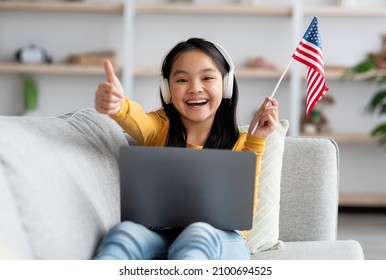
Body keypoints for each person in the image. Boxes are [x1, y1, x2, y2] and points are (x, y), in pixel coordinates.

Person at [94, 38, 278, 260]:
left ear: (226, 85)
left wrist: (256, 141)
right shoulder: (159, 127)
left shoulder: (243, 142)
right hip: (163, 237)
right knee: (125, 233)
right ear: (167, 89)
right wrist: (118, 105)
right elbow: (135, 118)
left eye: (207, 77)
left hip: (220, 240)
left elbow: (242, 213)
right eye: (182, 80)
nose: (195, 88)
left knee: (196, 233)